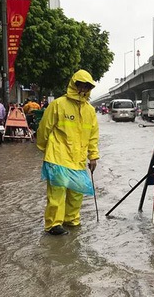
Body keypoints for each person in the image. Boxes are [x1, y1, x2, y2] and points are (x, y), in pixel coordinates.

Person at [37, 70, 99, 236]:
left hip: (77, 159)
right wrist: (44, 148)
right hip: (58, 156)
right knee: (57, 193)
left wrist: (93, 156)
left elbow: (93, 136)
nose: (84, 88)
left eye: (87, 86)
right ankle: (53, 225)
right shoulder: (58, 104)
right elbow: (44, 128)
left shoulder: (90, 111)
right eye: (81, 84)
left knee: (76, 194)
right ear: (75, 84)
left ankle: (71, 220)